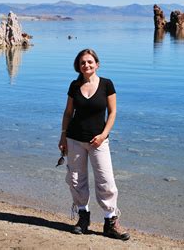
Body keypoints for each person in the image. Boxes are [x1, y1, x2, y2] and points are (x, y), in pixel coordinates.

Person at [58, 48, 130, 240]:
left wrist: (103, 135)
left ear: (97, 64)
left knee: (106, 181)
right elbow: (67, 113)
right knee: (75, 179)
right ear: (78, 66)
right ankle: (83, 218)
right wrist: (63, 136)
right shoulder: (74, 85)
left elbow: (113, 112)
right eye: (83, 62)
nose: (86, 65)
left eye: (90, 62)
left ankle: (110, 222)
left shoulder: (107, 84)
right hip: (74, 139)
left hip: (99, 141)